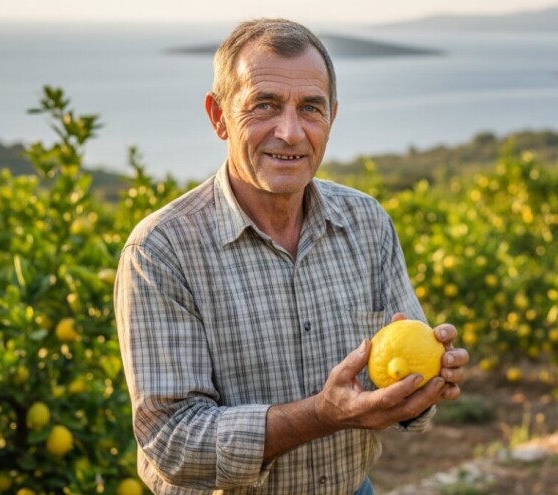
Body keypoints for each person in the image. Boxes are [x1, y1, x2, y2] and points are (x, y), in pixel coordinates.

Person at [114, 18, 469, 495]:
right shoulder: (161, 251)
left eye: (310, 108)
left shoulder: (366, 222)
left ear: (332, 117)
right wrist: (320, 415)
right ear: (218, 116)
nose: (290, 132)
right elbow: (173, 440)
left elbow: (403, 369)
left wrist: (427, 385)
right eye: (265, 105)